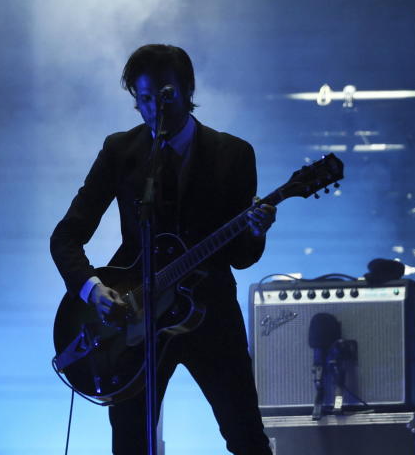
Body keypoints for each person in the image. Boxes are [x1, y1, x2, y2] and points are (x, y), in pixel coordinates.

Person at [50, 44, 276, 455]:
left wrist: (256, 231)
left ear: (187, 89)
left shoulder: (233, 154)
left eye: (166, 95)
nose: (156, 108)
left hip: (210, 316)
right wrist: (93, 290)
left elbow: (242, 257)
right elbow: (66, 236)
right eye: (145, 99)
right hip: (132, 320)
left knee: (247, 439)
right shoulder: (120, 151)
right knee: (131, 443)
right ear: (135, 101)